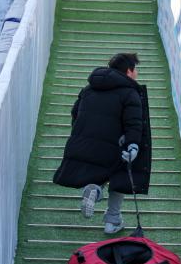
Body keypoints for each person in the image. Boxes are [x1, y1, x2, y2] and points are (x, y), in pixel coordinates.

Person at [53, 53, 152, 234]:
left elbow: (75, 113)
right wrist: (133, 145)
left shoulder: (89, 89)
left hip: (84, 143)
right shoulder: (130, 92)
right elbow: (134, 123)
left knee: (99, 172)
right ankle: (112, 221)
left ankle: (94, 189)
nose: (136, 73)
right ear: (129, 71)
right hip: (114, 146)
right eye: (135, 69)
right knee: (120, 175)